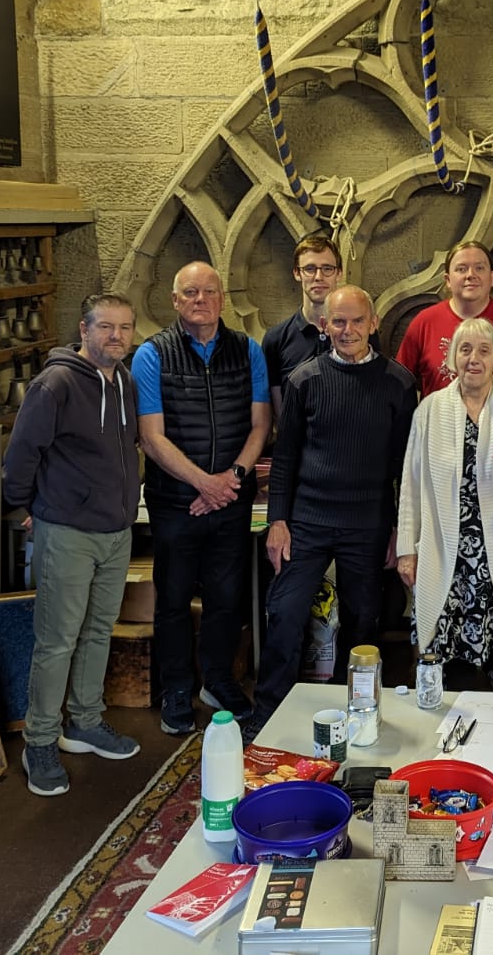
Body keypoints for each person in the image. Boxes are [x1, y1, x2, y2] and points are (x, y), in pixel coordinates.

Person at [249, 286, 418, 730]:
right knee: (285, 611)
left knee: (364, 620)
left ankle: (354, 711)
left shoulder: (399, 383)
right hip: (307, 519)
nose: (347, 330)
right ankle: (269, 713)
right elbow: (284, 458)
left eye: (356, 321)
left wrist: (400, 532)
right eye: (338, 322)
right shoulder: (304, 379)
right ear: (324, 326)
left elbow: (406, 466)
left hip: (368, 523)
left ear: (373, 323)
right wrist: (278, 521)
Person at [2, 294, 142, 795]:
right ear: (83, 330)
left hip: (115, 529)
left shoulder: (123, 380)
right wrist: (21, 508)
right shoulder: (55, 384)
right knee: (58, 638)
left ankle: (84, 720)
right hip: (67, 529)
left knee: (98, 631)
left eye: (125, 328)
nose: (117, 337)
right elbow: (22, 452)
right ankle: (40, 740)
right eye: (106, 327)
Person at [133, 262, 272, 735]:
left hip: (231, 499)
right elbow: (151, 437)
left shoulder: (248, 350)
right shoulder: (152, 355)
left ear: (222, 298)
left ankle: (217, 680)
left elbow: (260, 425)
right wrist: (202, 483)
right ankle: (177, 687)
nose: (201, 299)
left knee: (226, 597)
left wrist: (229, 479)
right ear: (174, 301)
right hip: (176, 502)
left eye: (209, 291)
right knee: (172, 599)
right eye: (190, 291)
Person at [397, 318, 493, 692]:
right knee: (453, 676)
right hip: (449, 558)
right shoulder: (430, 411)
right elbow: (410, 486)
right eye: (465, 349)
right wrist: (406, 548)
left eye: (484, 350)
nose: (474, 358)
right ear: (452, 357)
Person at [395, 240, 493, 408]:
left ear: (492, 277)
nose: (470, 275)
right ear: (448, 280)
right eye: (461, 269)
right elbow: (400, 385)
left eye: (479, 268)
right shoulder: (424, 323)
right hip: (440, 430)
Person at [261, 234, 378, 417]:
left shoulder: (360, 333)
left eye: (327, 269)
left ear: (339, 273)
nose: (318, 277)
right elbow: (279, 413)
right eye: (309, 268)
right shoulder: (276, 339)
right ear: (297, 273)